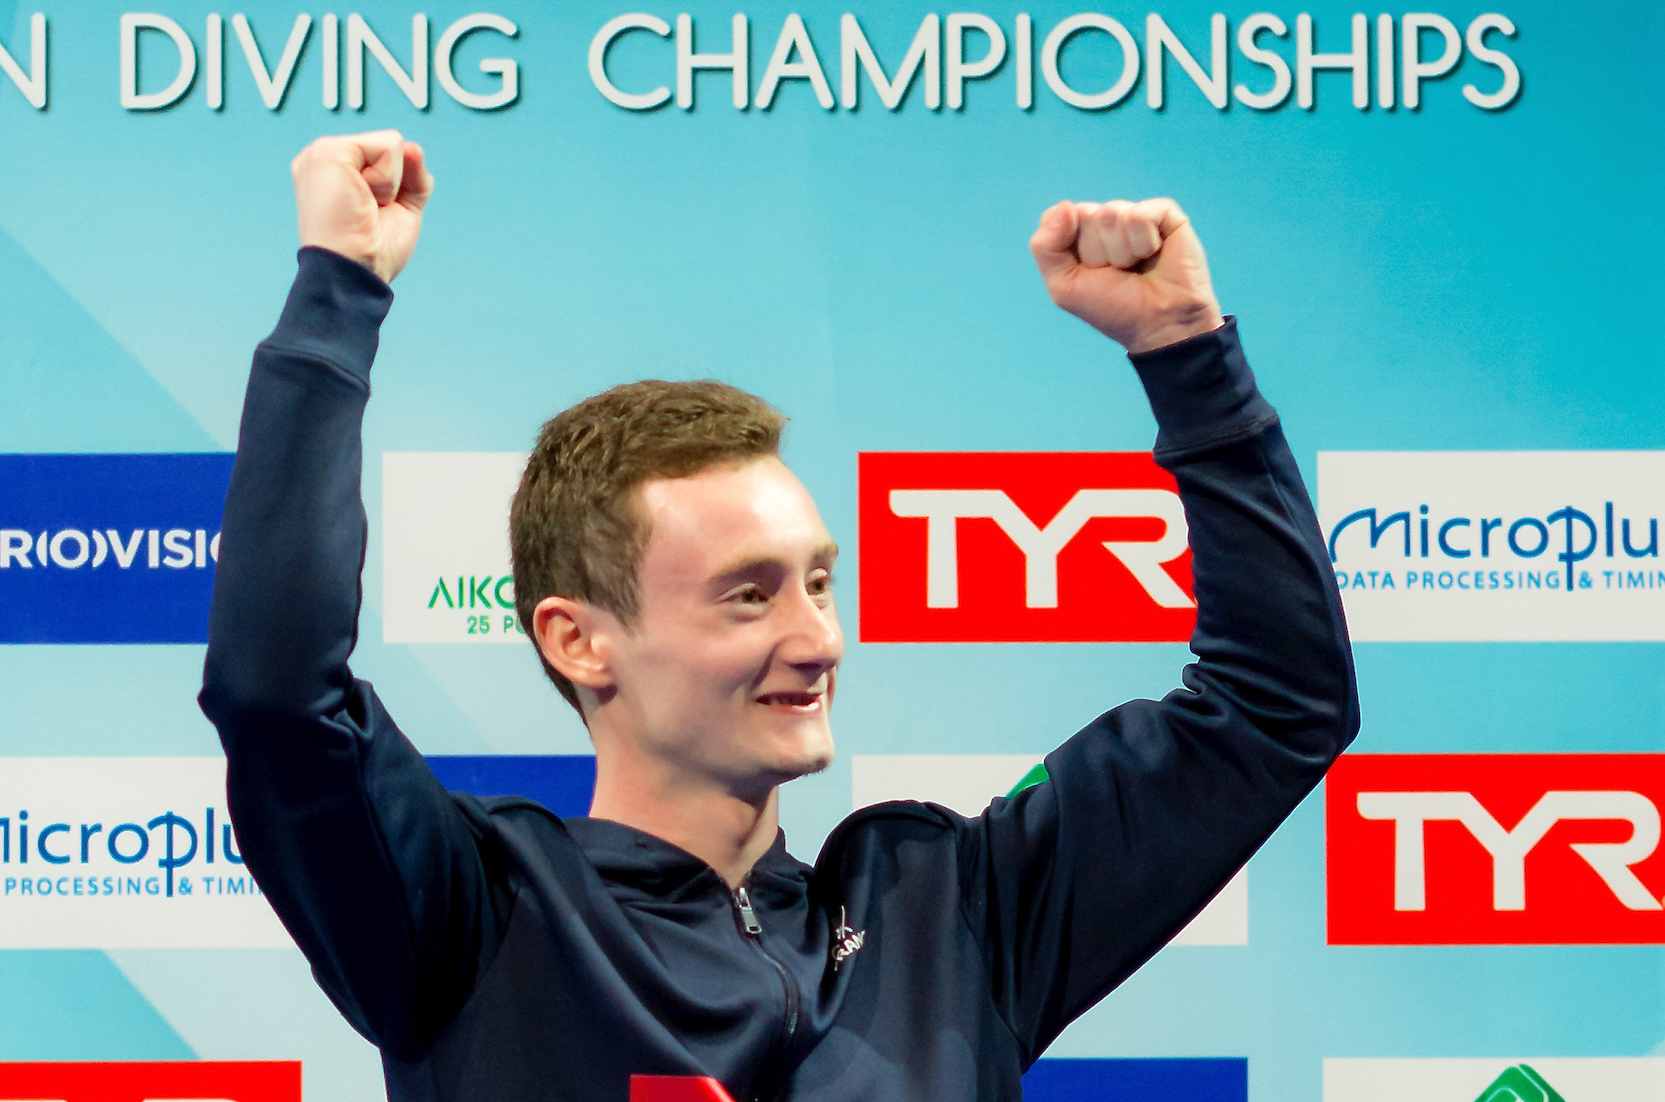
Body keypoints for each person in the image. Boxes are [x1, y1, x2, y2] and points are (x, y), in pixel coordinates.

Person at [200, 130, 1357, 1102]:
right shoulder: (479, 911)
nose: (817, 640)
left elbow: (1275, 702)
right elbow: (277, 692)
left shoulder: (953, 907)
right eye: (748, 593)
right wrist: (337, 291)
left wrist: (1185, 349)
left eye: (818, 581)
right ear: (578, 639)